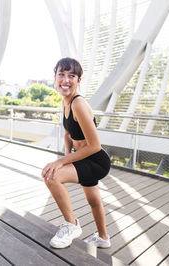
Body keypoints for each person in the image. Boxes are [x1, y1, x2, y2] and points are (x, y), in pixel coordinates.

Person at [41, 57, 111, 249]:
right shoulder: (65, 102)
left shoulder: (78, 104)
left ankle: (72, 225)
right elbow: (67, 133)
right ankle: (103, 238)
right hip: (83, 159)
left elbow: (95, 145)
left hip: (96, 160)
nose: (65, 80)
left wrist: (61, 163)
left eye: (71, 76)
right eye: (61, 74)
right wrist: (65, 159)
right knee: (93, 200)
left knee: (50, 175)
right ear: (54, 77)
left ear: (79, 80)